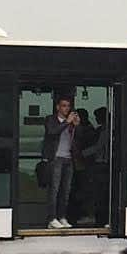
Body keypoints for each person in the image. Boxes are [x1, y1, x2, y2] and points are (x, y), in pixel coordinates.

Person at [42, 95, 80, 229]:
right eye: (64, 106)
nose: (66, 108)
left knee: (66, 190)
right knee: (54, 190)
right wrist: (67, 122)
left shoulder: (70, 123)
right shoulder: (50, 119)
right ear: (58, 107)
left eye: (68, 106)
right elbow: (52, 132)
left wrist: (76, 126)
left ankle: (62, 217)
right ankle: (51, 219)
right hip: (56, 159)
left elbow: (78, 140)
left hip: (69, 159)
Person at [81, 107, 110, 228]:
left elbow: (98, 147)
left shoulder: (105, 131)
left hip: (101, 164)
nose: (96, 119)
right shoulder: (102, 129)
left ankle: (95, 217)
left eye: (97, 116)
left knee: (97, 192)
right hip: (101, 164)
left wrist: (82, 154)